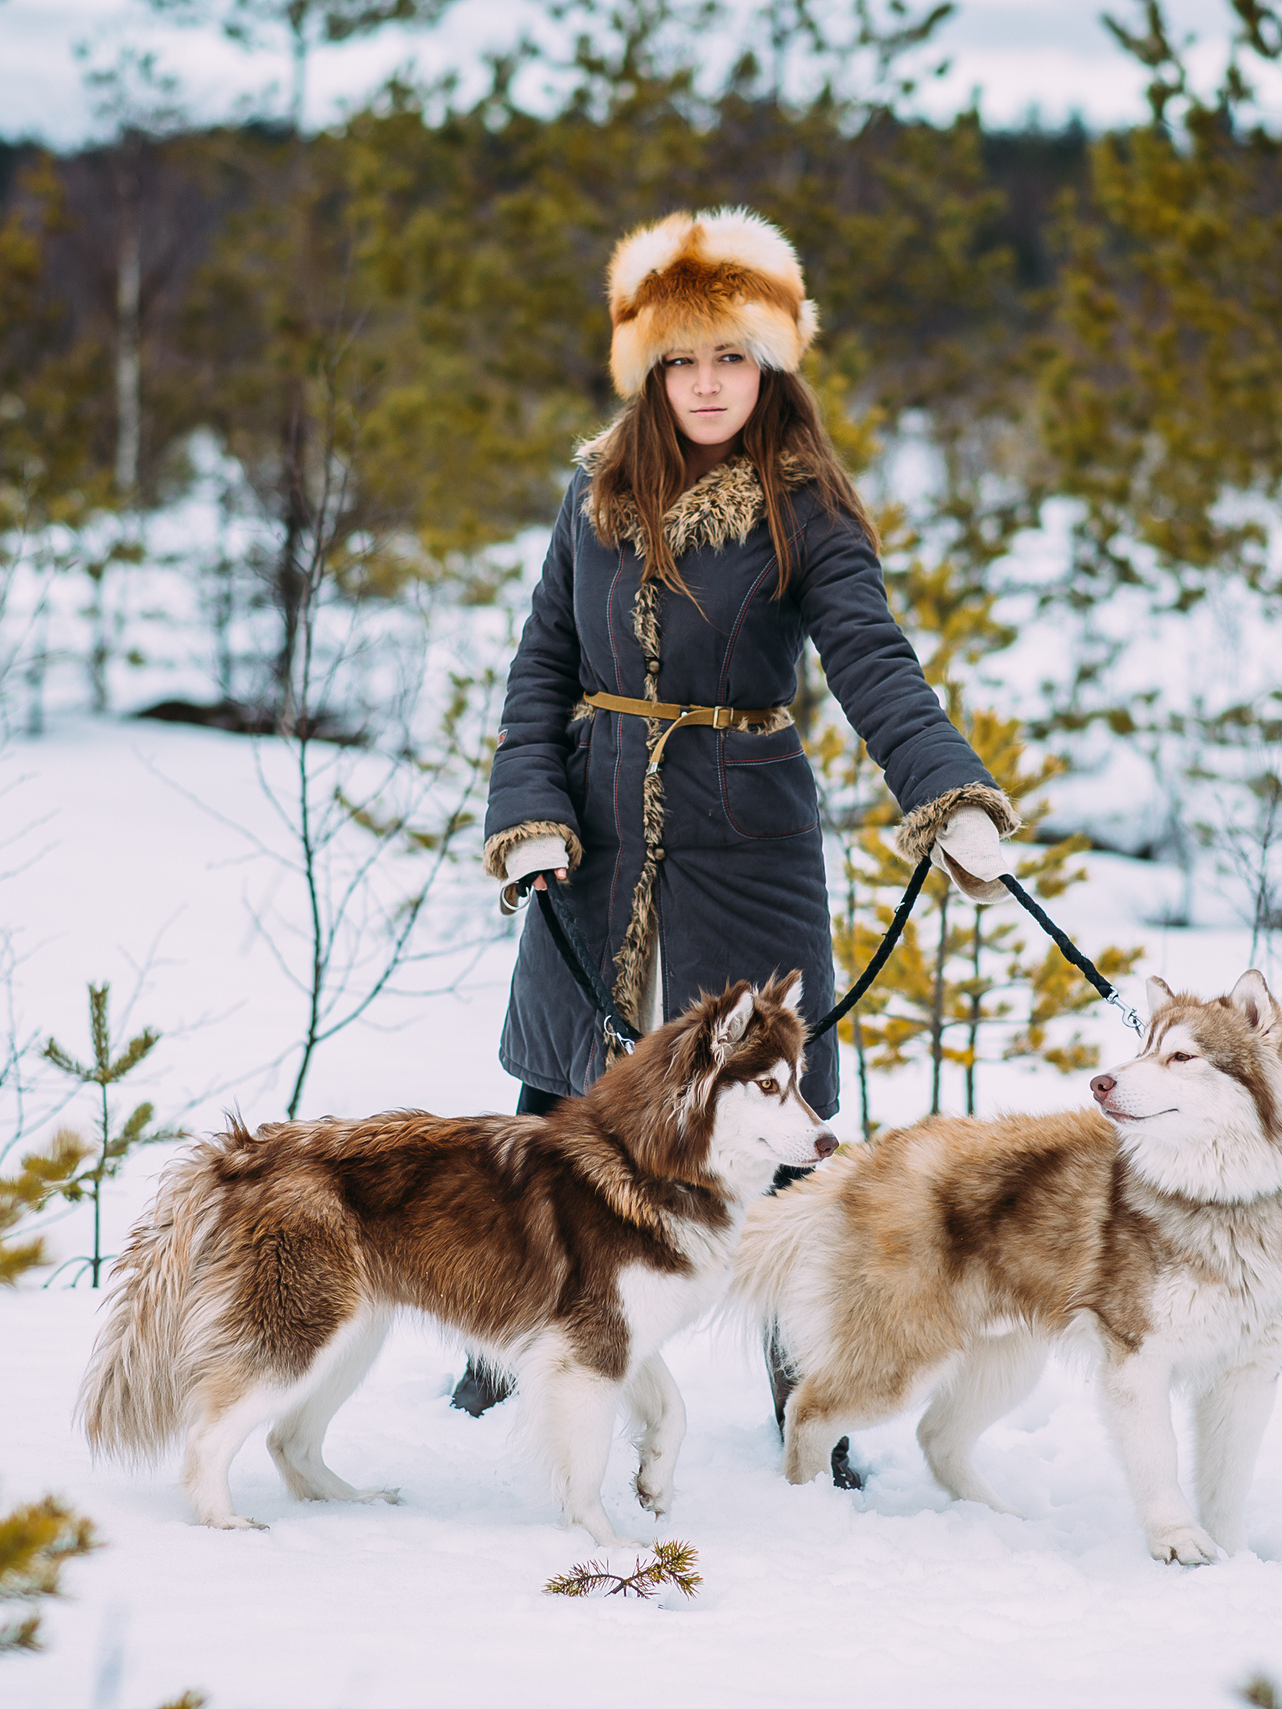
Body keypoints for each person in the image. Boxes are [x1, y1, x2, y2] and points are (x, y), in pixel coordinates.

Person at [453, 207, 1021, 1433]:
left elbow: (874, 662)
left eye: (731, 357)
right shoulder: (592, 493)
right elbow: (541, 665)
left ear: (772, 364)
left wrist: (946, 793)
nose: (707, 384)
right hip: (595, 845)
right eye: (681, 359)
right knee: (557, 1104)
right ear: (648, 369)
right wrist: (532, 808)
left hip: (746, 843)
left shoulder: (803, 505)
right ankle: (499, 1373)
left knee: (776, 1131)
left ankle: (808, 1408)